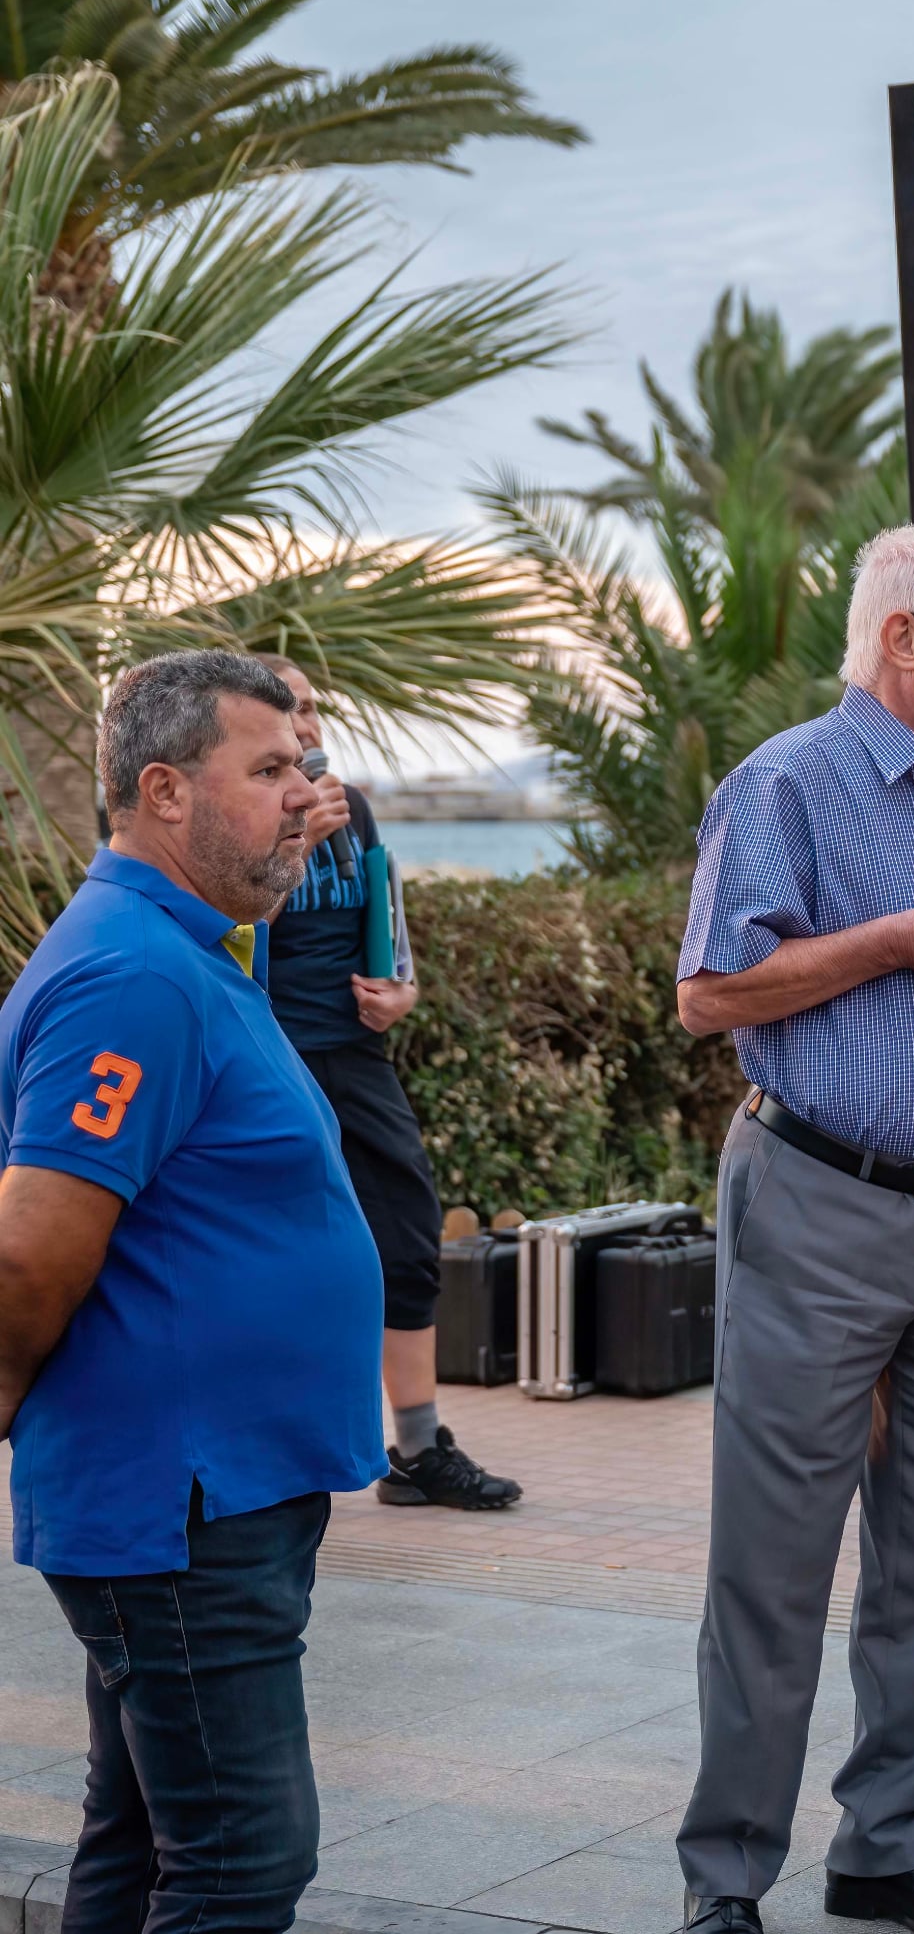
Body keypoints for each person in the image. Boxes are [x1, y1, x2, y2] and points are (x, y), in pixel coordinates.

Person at [673, 525, 914, 1934]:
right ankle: (727, 1877)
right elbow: (711, 994)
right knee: (775, 1558)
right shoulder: (786, 782)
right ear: (902, 637)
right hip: (820, 1203)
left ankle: (887, 1849)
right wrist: (891, 940)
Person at [0, 651, 386, 1934]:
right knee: (241, 1861)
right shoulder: (133, 975)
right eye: (269, 769)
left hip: (214, 1492)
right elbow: (30, 1250)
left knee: (140, 1836)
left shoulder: (186, 946)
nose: (306, 791)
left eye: (303, 763)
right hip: (179, 1506)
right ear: (164, 790)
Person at [256, 656, 522, 1513]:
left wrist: (401, 991)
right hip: (272, 1059)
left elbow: (388, 927)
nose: (307, 725)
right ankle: (275, 1455)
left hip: (357, 1057)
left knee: (406, 1236)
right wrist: (295, 841)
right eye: (288, 711)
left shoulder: (355, 808)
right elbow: (224, 936)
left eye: (311, 708)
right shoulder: (242, 823)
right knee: (284, 1257)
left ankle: (415, 1449)